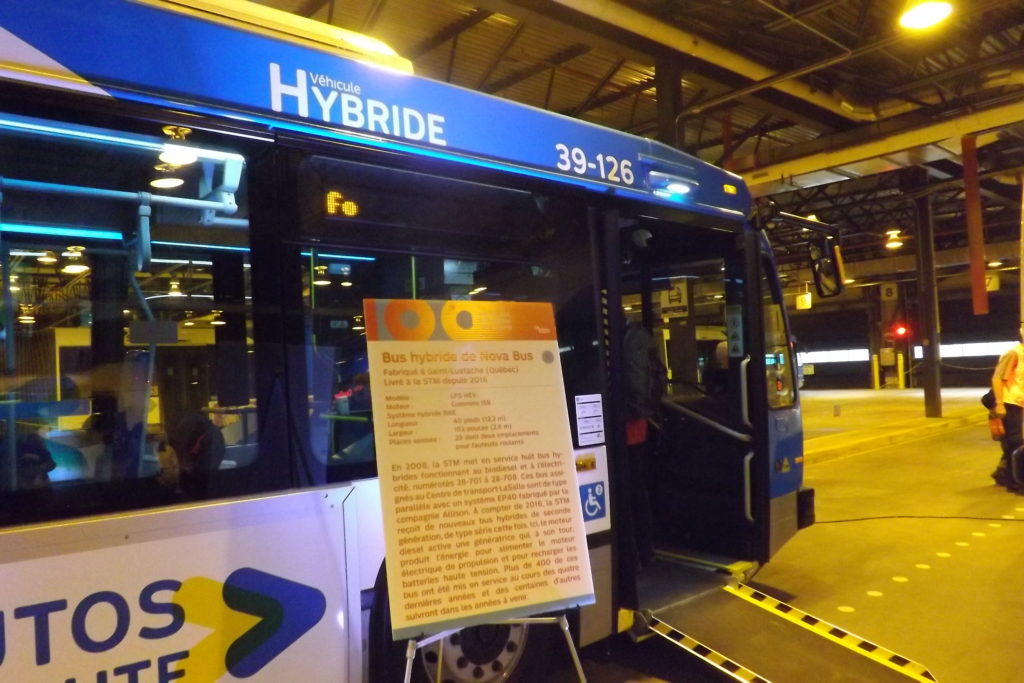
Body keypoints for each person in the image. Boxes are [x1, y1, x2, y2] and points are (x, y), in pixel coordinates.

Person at [623, 318, 667, 568]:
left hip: (625, 425)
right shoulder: (642, 336)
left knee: (627, 493)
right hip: (639, 424)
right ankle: (645, 550)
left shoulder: (622, 340)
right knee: (638, 490)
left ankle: (634, 555)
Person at [991, 326, 1024, 491]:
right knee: (1015, 443)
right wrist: (1000, 403)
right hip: (1010, 404)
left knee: (1015, 443)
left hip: (1020, 403)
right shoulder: (1013, 353)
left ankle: (1003, 475)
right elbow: (997, 378)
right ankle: (1014, 483)